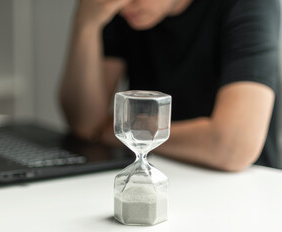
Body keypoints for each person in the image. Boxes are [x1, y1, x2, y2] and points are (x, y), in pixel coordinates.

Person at [59, 0, 281, 171]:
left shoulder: (249, 5)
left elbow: (233, 145)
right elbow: (85, 124)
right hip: (156, 169)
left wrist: (118, 133)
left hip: (245, 189)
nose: (123, 3)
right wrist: (86, 25)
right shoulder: (119, 9)